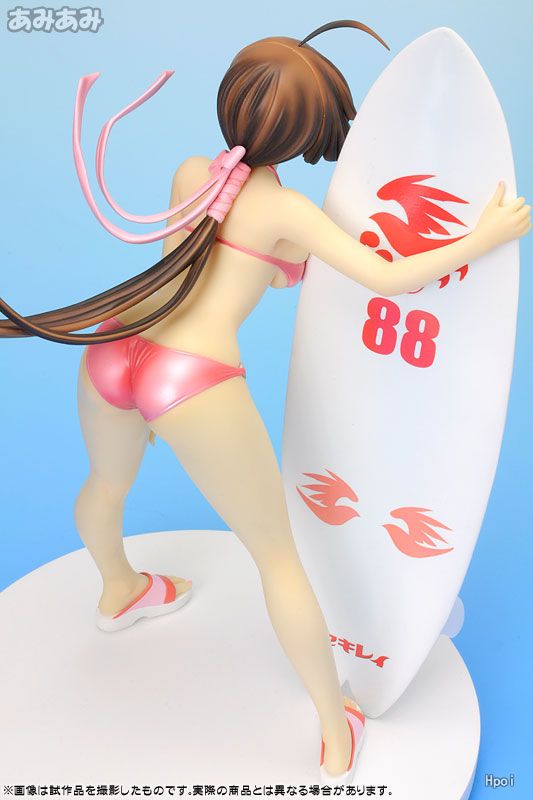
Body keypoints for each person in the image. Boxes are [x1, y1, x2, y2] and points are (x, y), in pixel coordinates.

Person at [1, 19, 530, 782]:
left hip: (117, 346)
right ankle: (335, 733)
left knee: (106, 485)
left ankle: (119, 589)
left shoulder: (193, 172)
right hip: (190, 379)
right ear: (311, 132)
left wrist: (280, 265)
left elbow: (217, 249)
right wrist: (484, 236)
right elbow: (388, 277)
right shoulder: (288, 213)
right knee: (279, 559)